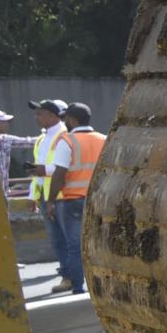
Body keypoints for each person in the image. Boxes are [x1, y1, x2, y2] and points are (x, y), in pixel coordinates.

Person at [47, 103, 105, 294]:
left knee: (75, 247)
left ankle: (79, 287)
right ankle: (101, 287)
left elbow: (59, 173)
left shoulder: (67, 140)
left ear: (72, 120)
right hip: (99, 201)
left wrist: (51, 200)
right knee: (99, 245)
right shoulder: (104, 139)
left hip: (73, 202)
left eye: (66, 119)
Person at [27, 99, 72, 289]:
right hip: (48, 197)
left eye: (40, 113)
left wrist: (43, 171)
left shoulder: (65, 136)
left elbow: (66, 167)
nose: (36, 117)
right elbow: (37, 169)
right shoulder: (41, 139)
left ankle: (73, 276)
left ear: (53, 116)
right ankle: (68, 276)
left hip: (64, 196)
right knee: (57, 241)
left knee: (69, 240)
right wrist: (33, 195)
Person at [0, 108, 36, 199]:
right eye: (3, 121)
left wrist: (48, 137)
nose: (7, 124)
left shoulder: (6, 139)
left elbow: (28, 142)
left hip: (3, 192)